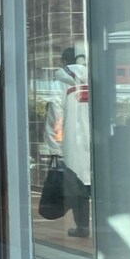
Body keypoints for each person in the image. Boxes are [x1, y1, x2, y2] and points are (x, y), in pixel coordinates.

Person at [45, 45, 91, 238]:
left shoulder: (60, 84)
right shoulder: (94, 79)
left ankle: (82, 226)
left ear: (63, 62)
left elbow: (56, 119)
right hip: (94, 142)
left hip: (72, 144)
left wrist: (55, 148)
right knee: (93, 183)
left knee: (76, 186)